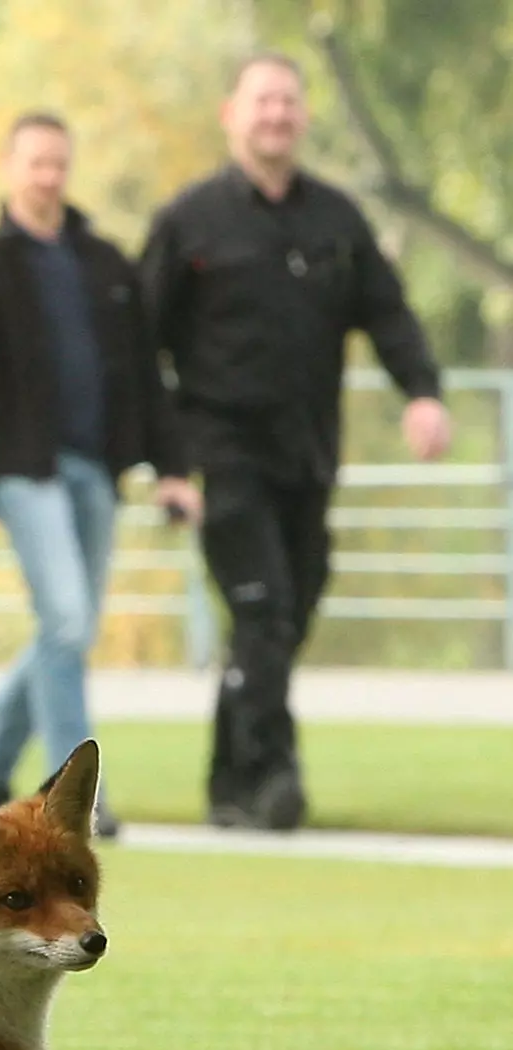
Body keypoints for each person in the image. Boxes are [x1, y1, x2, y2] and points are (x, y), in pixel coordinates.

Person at [140, 52, 451, 831]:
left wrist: (420, 393)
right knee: (264, 608)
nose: (275, 115)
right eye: (261, 101)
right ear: (231, 115)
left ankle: (225, 782)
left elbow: (387, 313)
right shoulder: (188, 221)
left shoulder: (336, 221)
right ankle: (274, 776)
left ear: (303, 116)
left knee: (282, 615)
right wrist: (166, 462)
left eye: (287, 102)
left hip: (308, 455)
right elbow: (139, 347)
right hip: (222, 452)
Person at [0, 112, 200, 837]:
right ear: (7, 166)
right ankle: (71, 801)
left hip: (94, 467)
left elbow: (148, 377)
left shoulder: (107, 264)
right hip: (18, 468)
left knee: (68, 627)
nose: (47, 176)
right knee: (65, 618)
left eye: (58, 163)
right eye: (34, 163)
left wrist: (172, 469)